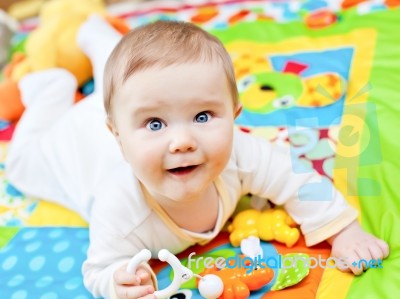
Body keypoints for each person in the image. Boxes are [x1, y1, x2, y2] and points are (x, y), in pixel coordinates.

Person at [5, 15, 389, 299]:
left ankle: (98, 40)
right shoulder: (119, 206)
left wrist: (342, 231)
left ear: (235, 118)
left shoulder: (241, 151)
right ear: (118, 137)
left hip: (122, 113)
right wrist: (118, 282)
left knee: (136, 79)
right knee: (20, 165)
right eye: (156, 124)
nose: (182, 141)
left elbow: (295, 178)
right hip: (70, 146)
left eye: (203, 117)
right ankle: (52, 88)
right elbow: (99, 269)